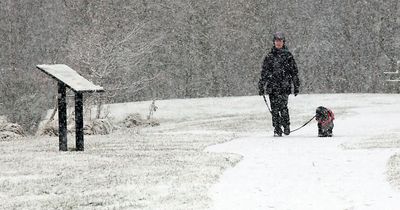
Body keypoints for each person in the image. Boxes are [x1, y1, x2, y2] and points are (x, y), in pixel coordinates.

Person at [258, 32, 300, 137]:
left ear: (283, 42)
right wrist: (261, 85)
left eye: (280, 41)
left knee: (283, 107)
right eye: (276, 41)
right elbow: (264, 73)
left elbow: (294, 72)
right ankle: (277, 128)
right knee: (274, 109)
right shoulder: (269, 56)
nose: (278, 43)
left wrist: (296, 86)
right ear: (274, 42)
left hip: (284, 86)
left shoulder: (288, 56)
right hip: (272, 87)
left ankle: (286, 126)